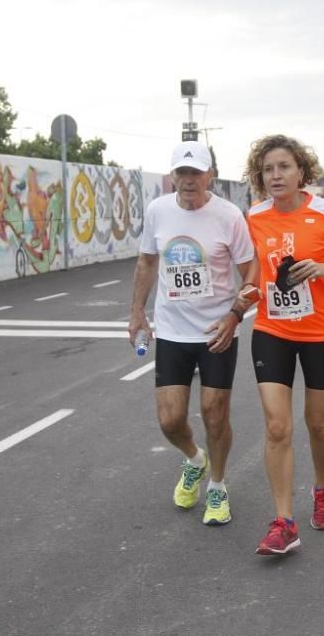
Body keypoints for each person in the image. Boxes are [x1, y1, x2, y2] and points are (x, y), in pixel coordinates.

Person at [243, 134, 324, 555]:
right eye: (268, 169)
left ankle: (322, 489)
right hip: (272, 330)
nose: (275, 175)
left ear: (301, 173)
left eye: (284, 167)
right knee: (278, 425)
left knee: (318, 423)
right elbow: (255, 268)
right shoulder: (255, 217)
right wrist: (247, 290)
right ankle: (284, 521)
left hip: (322, 333)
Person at [128, 140, 257, 527]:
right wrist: (137, 311)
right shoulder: (158, 211)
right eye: (181, 173)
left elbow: (252, 272)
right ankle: (195, 461)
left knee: (215, 415)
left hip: (217, 330)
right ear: (172, 177)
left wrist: (235, 315)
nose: (188, 181)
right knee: (169, 421)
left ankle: (217, 486)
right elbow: (147, 261)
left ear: (210, 177)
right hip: (171, 331)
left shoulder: (229, 216)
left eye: (196, 173)